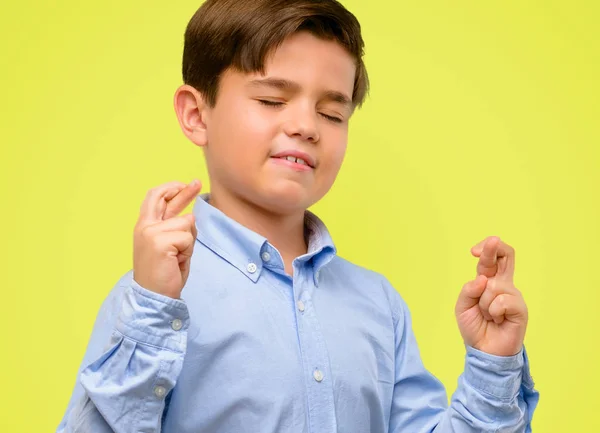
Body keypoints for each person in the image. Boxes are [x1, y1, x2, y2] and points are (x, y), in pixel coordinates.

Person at [57, 0, 539, 431]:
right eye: (271, 100)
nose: (306, 126)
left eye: (332, 114)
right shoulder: (153, 300)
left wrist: (492, 365)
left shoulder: (379, 305)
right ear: (197, 115)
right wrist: (152, 314)